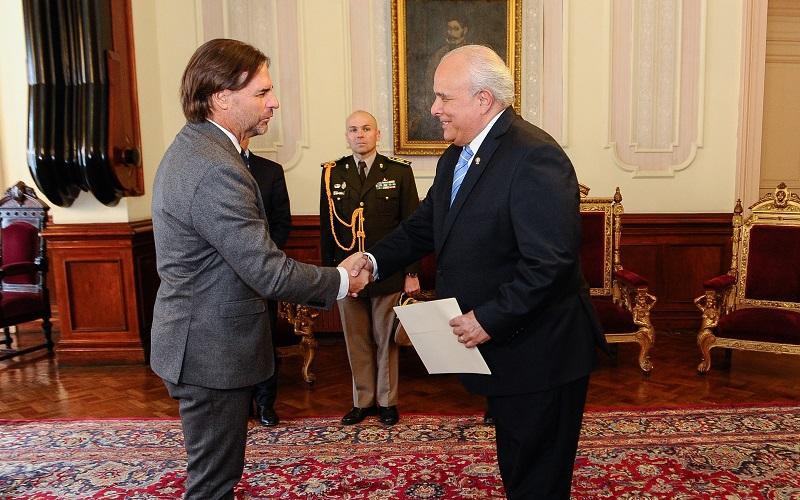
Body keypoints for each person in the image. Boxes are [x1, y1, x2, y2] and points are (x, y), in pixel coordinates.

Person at [350, 45, 606, 499]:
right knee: (517, 460)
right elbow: (425, 225)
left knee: (538, 475)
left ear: (483, 99)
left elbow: (550, 263)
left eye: (444, 97)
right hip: (507, 347)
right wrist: (372, 261)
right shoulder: (457, 156)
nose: (434, 108)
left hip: (542, 351)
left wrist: (489, 318)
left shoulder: (534, 156)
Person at [150, 38, 369, 499]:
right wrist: (341, 279)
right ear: (221, 97)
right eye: (262, 92)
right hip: (208, 350)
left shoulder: (201, 149)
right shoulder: (215, 167)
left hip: (199, 339)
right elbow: (267, 271)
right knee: (213, 484)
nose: (274, 102)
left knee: (216, 476)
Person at [320, 110, 420, 426]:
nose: (360, 134)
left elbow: (412, 227)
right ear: (346, 136)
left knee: (386, 339)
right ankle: (362, 401)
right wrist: (328, 277)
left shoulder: (399, 172)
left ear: (378, 134)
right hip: (346, 276)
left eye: (366, 129)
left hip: (387, 273)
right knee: (356, 341)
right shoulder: (332, 173)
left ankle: (387, 401)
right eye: (353, 129)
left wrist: (411, 272)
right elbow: (327, 230)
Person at [240, 137, 291, 427]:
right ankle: (241, 403)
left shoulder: (271, 170)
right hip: (228, 275)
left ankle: (265, 404)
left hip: (265, 272)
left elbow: (282, 222)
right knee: (236, 342)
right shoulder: (217, 166)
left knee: (265, 339)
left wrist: (265, 257)